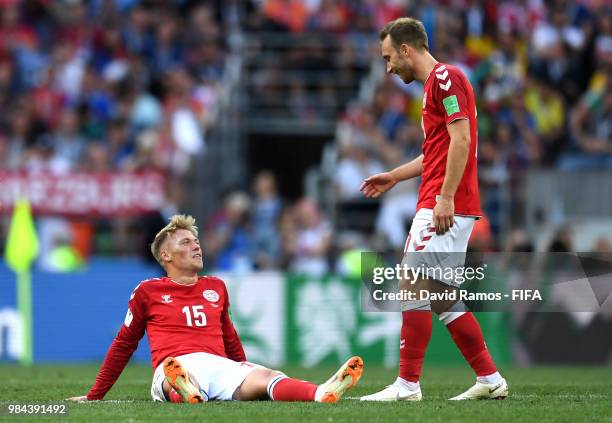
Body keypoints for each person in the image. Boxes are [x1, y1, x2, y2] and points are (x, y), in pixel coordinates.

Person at [359, 17, 508, 401]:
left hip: (444, 203)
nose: (388, 67)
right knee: (442, 296)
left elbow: (462, 137)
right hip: (445, 199)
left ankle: (407, 385)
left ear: (407, 49)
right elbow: (435, 152)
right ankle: (490, 379)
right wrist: (394, 175)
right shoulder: (433, 89)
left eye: (390, 58)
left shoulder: (446, 78)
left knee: (410, 281)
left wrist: (445, 197)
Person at [67, 214, 362, 404]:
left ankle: (320, 392)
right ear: (166, 255)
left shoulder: (216, 287)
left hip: (219, 366)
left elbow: (230, 338)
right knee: (180, 377)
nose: (197, 246)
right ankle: (185, 389)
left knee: (268, 376)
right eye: (186, 242)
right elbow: (124, 344)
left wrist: (244, 370)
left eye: (196, 241)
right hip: (175, 363)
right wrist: (95, 396)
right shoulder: (148, 291)